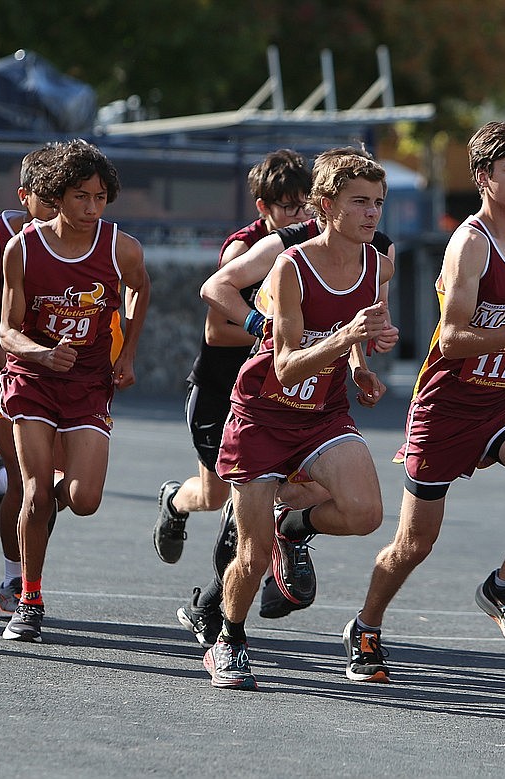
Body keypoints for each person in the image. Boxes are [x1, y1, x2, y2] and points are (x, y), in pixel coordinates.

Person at [344, 121, 505, 684]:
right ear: (483, 177)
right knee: (414, 543)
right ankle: (366, 625)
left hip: (503, 400)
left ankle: (504, 585)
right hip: (447, 405)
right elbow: (451, 337)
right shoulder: (469, 243)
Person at [175, 147, 398, 647]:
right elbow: (283, 361)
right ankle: (229, 639)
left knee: (366, 513)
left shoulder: (379, 263)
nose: (372, 212)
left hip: (322, 412)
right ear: (325, 203)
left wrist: (364, 359)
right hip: (260, 409)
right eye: (360, 201)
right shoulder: (287, 260)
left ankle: (293, 525)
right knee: (247, 550)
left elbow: (360, 326)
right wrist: (271, 326)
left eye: (378, 202)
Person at [0, 139, 150, 642]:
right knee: (37, 492)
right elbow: (7, 329)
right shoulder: (24, 247)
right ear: (57, 196)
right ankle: (29, 598)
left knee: (83, 500)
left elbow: (140, 288)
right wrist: (40, 354)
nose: (91, 208)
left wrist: (125, 352)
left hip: (88, 381)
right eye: (81, 197)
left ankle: (32, 509)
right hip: (34, 378)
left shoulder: (119, 247)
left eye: (100, 197)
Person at [153, 149, 312, 567]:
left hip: (271, 391)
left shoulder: (314, 244)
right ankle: (174, 501)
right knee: (213, 493)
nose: (298, 216)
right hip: (219, 386)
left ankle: (265, 566)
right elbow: (216, 331)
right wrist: (274, 332)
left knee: (277, 482)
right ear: (264, 207)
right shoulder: (243, 251)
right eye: (288, 207)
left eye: (305, 206)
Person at [0, 143, 58, 617]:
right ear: (25, 196)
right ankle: (11, 583)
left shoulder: (84, 240)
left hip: (60, 371)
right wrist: (10, 357)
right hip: (4, 368)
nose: (62, 208)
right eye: (50, 198)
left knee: (64, 490)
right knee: (29, 484)